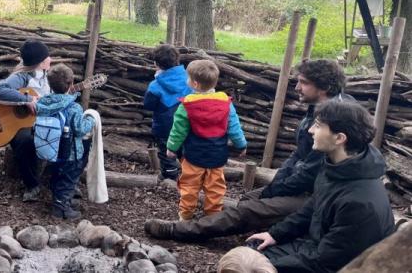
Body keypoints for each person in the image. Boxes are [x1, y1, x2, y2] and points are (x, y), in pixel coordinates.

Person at [145, 59, 348, 241]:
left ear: (324, 87)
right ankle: (271, 230)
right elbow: (298, 156)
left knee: (247, 211)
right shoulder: (318, 110)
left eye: (303, 83)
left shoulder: (337, 119)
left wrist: (275, 190)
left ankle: (180, 230)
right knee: (248, 199)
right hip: (302, 186)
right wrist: (276, 185)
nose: (296, 87)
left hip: (319, 196)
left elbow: (309, 173)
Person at [247, 99, 394, 272]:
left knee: (248, 265)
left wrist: (263, 267)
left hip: (338, 265)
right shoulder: (336, 167)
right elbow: (313, 207)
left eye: (317, 125)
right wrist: (275, 234)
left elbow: (327, 261)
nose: (310, 130)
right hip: (315, 247)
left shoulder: (360, 204)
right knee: (250, 250)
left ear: (339, 138)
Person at [165, 59, 247, 220]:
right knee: (215, 187)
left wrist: (171, 148)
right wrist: (241, 145)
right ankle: (213, 216)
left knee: (189, 186)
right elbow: (234, 128)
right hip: (217, 156)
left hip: (193, 156)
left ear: (195, 84)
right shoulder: (225, 103)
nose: (186, 80)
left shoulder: (187, 105)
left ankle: (186, 215)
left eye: (188, 78)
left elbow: (178, 131)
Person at [0, 39, 51, 202]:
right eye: (47, 58)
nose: (50, 60)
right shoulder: (22, 76)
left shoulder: (47, 76)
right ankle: (32, 185)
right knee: (24, 141)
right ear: (40, 62)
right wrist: (27, 99)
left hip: (39, 120)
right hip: (15, 123)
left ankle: (62, 184)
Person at [34, 64, 96, 219]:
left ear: (49, 84)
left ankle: (62, 200)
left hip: (50, 149)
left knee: (57, 175)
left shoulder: (43, 104)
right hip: (71, 152)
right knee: (68, 180)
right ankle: (61, 209)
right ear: (71, 84)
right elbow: (81, 130)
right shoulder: (73, 107)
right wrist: (90, 119)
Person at [143, 44, 193, 181]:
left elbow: (148, 105)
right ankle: (190, 174)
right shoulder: (190, 80)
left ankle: (170, 175)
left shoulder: (155, 85)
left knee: (166, 151)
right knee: (186, 150)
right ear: (177, 60)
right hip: (187, 124)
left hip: (164, 127)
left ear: (156, 64)